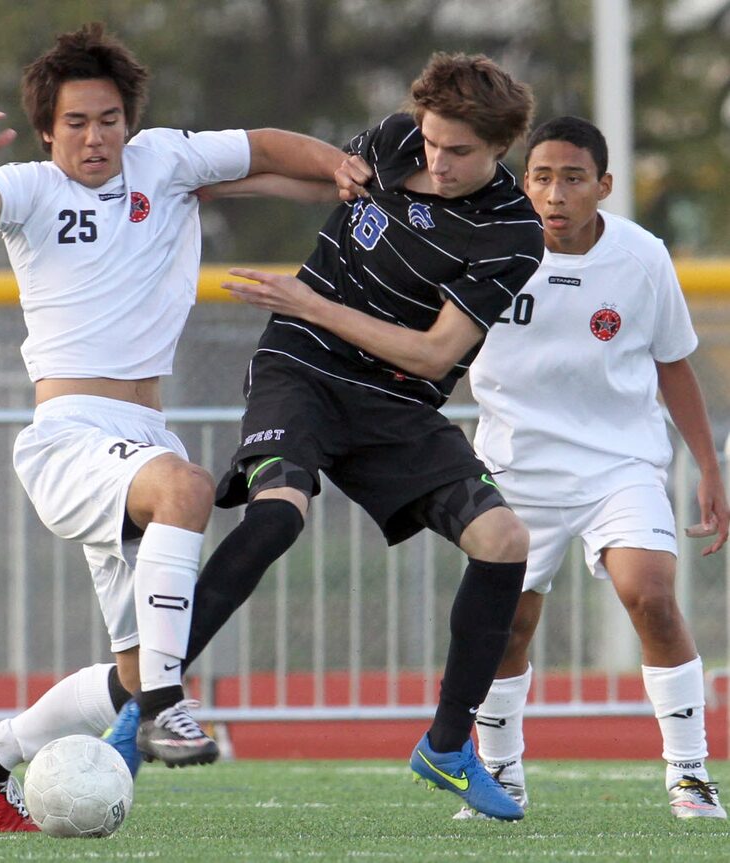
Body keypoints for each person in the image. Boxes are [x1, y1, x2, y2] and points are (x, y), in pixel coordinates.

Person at [0, 22, 352, 832]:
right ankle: (166, 707)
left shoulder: (163, 159)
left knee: (131, 663)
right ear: (48, 129)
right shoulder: (27, 187)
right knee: (185, 492)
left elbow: (265, 145)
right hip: (70, 434)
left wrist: (338, 167)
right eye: (77, 122)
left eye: (110, 119)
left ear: (130, 119)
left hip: (140, 433)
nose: (96, 136)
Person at [174, 51, 544, 822]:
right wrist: (198, 181)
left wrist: (307, 300)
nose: (437, 160)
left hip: (397, 397)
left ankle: (446, 745)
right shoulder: (394, 139)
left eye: (460, 152)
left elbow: (436, 353)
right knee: (278, 513)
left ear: (501, 149)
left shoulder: (513, 233)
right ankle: (151, 694)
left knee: (506, 539)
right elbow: (319, 172)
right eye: (432, 141)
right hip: (300, 367)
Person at [461, 115, 729, 820]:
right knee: (508, 628)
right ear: (524, 183)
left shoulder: (642, 257)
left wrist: (708, 465)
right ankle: (502, 774)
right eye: (543, 176)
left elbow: (674, 365)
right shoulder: (487, 251)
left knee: (651, 595)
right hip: (515, 472)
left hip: (620, 463)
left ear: (604, 186)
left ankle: (691, 773)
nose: (556, 193)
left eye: (573, 177)